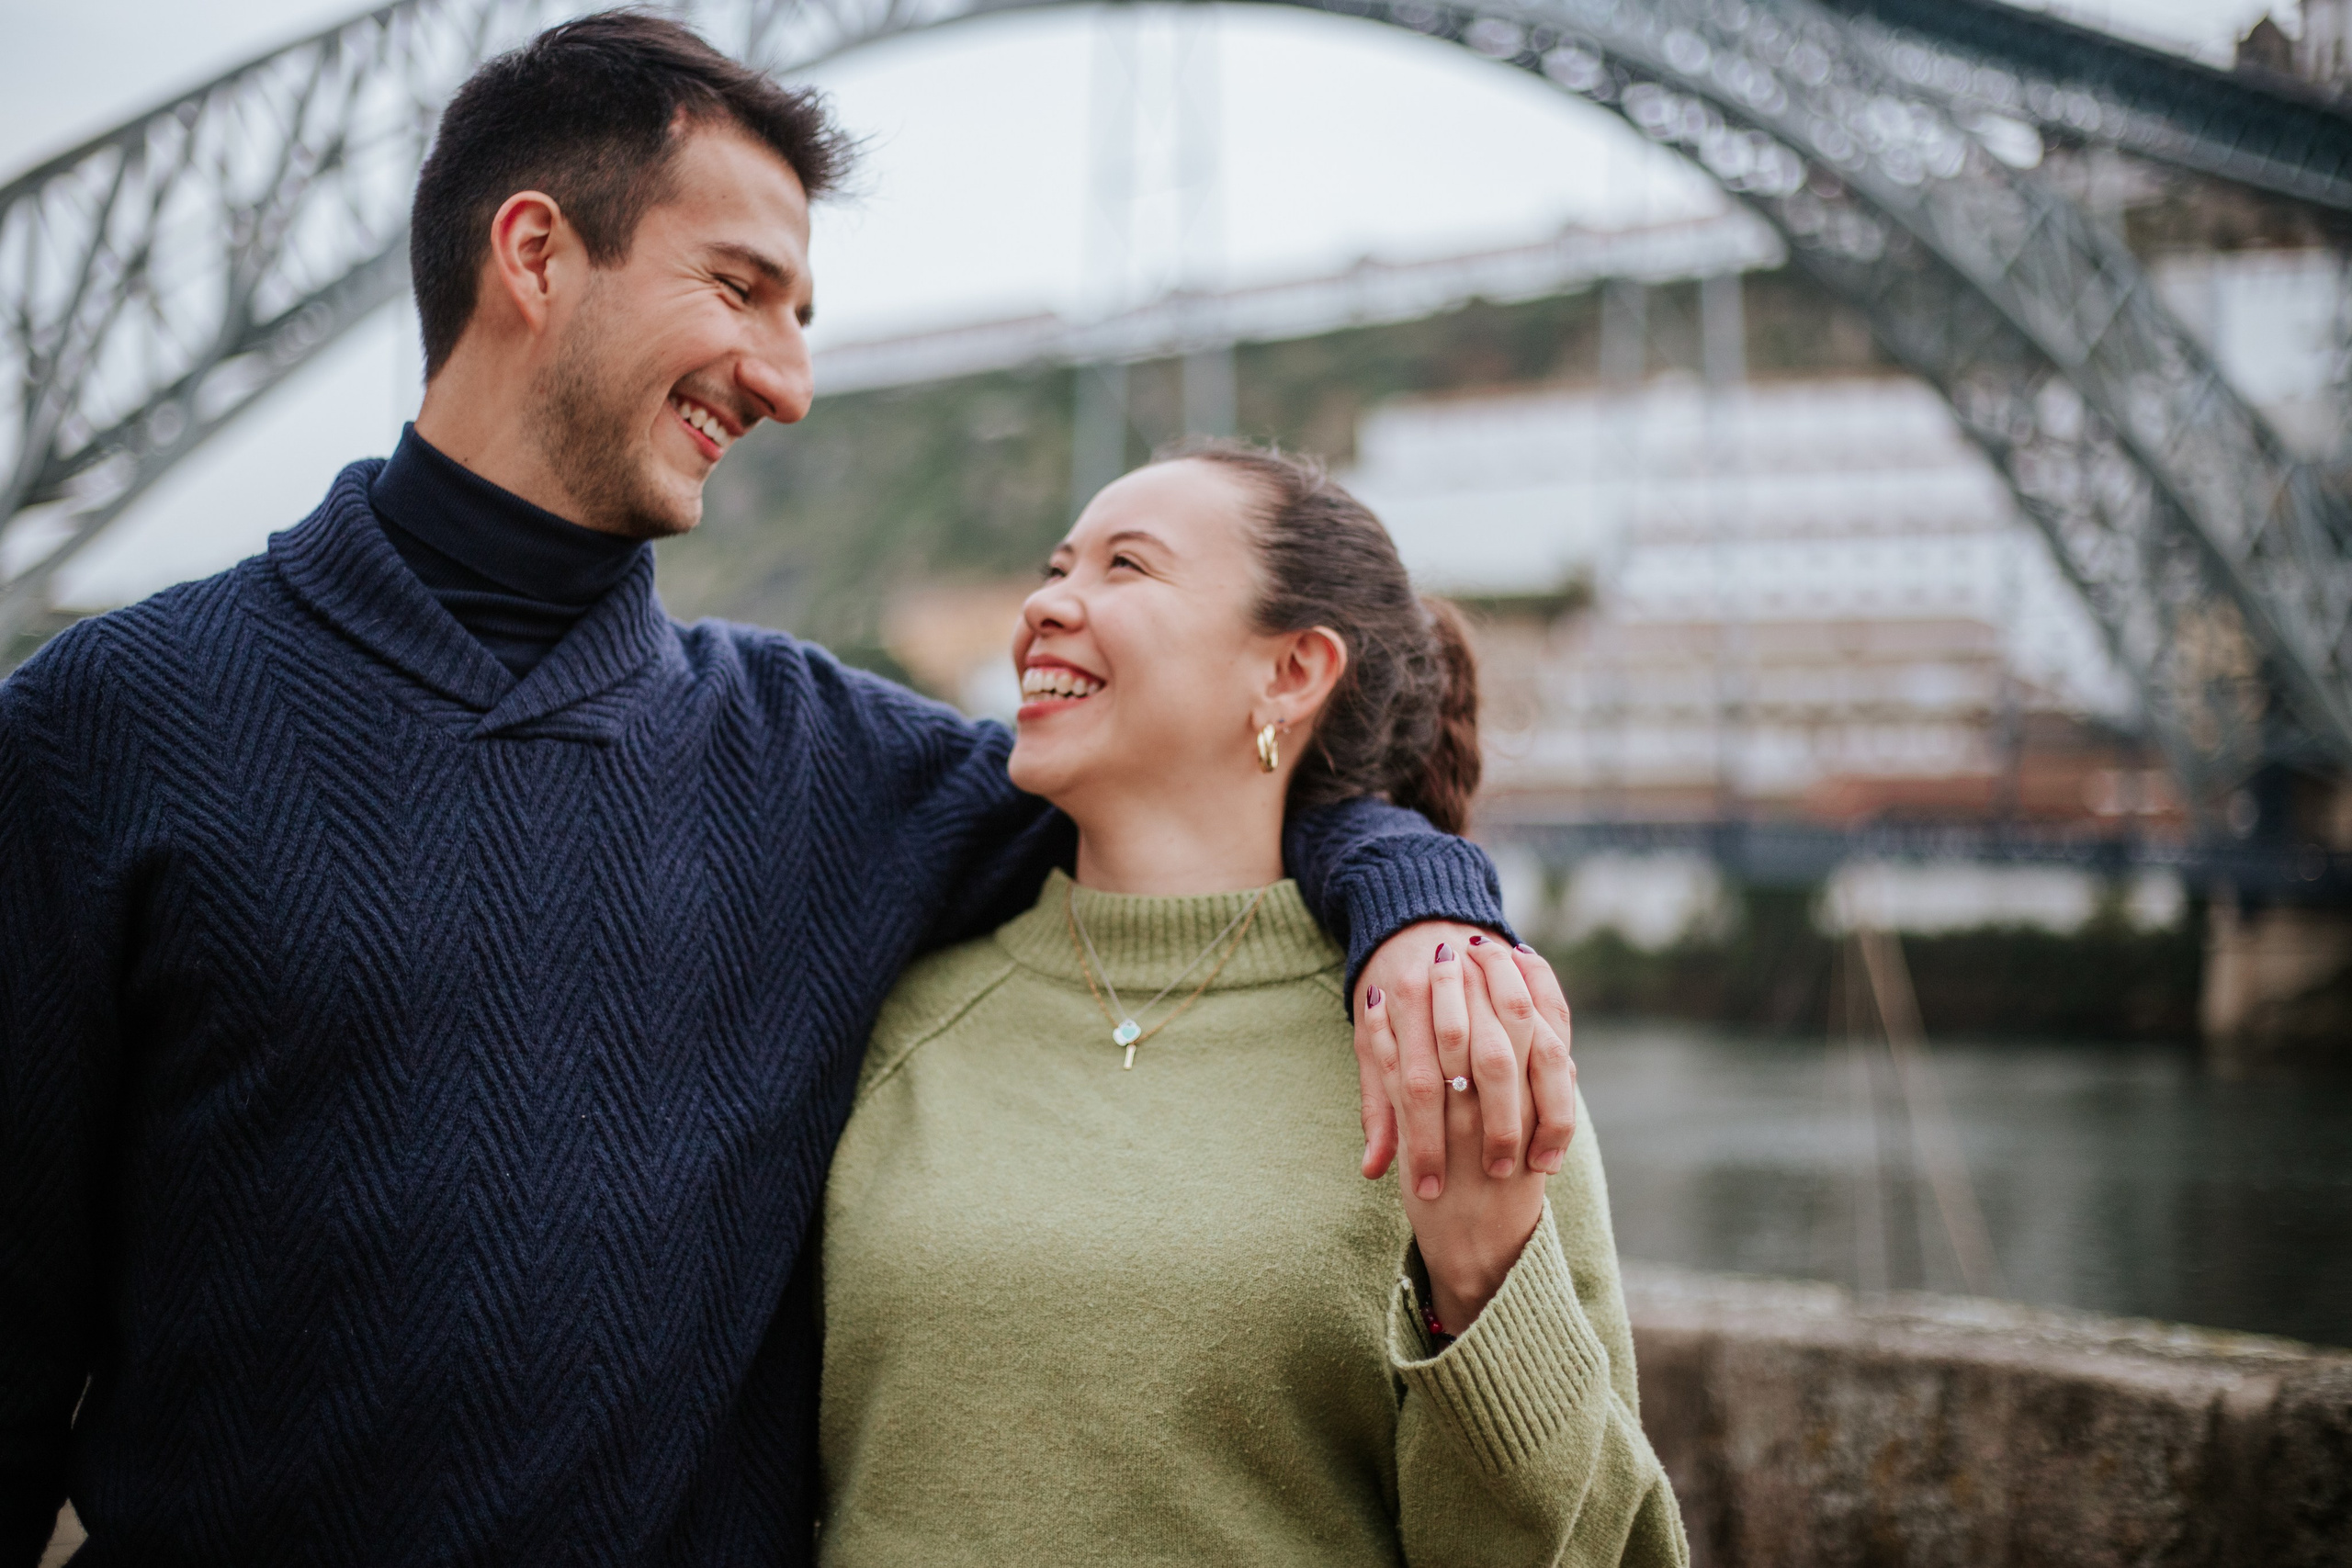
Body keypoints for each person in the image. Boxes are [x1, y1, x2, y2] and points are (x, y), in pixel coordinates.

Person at [0, 16, 1573, 1567]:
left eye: (804, 311)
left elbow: (1203, 779)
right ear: (536, 257)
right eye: (742, 289)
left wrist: (1420, 906)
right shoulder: (108, 726)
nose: (789, 380)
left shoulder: (828, 768)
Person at [818, 443, 1686, 1565]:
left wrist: (1477, 1293)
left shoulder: (1451, 1037)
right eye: (1055, 566)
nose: (1044, 605)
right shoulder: (899, 1017)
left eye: (1124, 568)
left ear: (1291, 673)